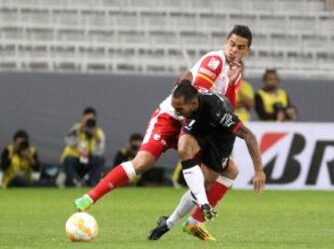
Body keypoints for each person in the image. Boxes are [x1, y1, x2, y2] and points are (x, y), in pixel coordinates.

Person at [73, 25, 252, 237]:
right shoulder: (214, 61)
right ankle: (89, 198)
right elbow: (197, 98)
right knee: (143, 162)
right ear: (225, 42)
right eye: (232, 44)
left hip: (195, 125)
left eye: (240, 47)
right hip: (172, 117)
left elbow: (227, 108)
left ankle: (194, 222)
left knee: (222, 173)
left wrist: (231, 83)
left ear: (247, 51)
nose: (234, 50)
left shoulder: (235, 74)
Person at [148, 80, 265, 241]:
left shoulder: (218, 111)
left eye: (179, 109)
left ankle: (169, 223)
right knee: (184, 149)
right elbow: (185, 80)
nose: (177, 112)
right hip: (198, 128)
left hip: (220, 139)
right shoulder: (186, 97)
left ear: (193, 103)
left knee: (208, 182)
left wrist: (259, 171)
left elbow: (248, 136)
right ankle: (202, 206)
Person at [61, 107, 105, 187]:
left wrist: (94, 135)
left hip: (89, 159)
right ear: (83, 118)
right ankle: (75, 182)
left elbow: (100, 151)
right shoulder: (77, 128)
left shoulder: (99, 132)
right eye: (87, 118)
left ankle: (93, 184)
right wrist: (79, 130)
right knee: (69, 159)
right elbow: (67, 140)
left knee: (99, 159)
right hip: (76, 158)